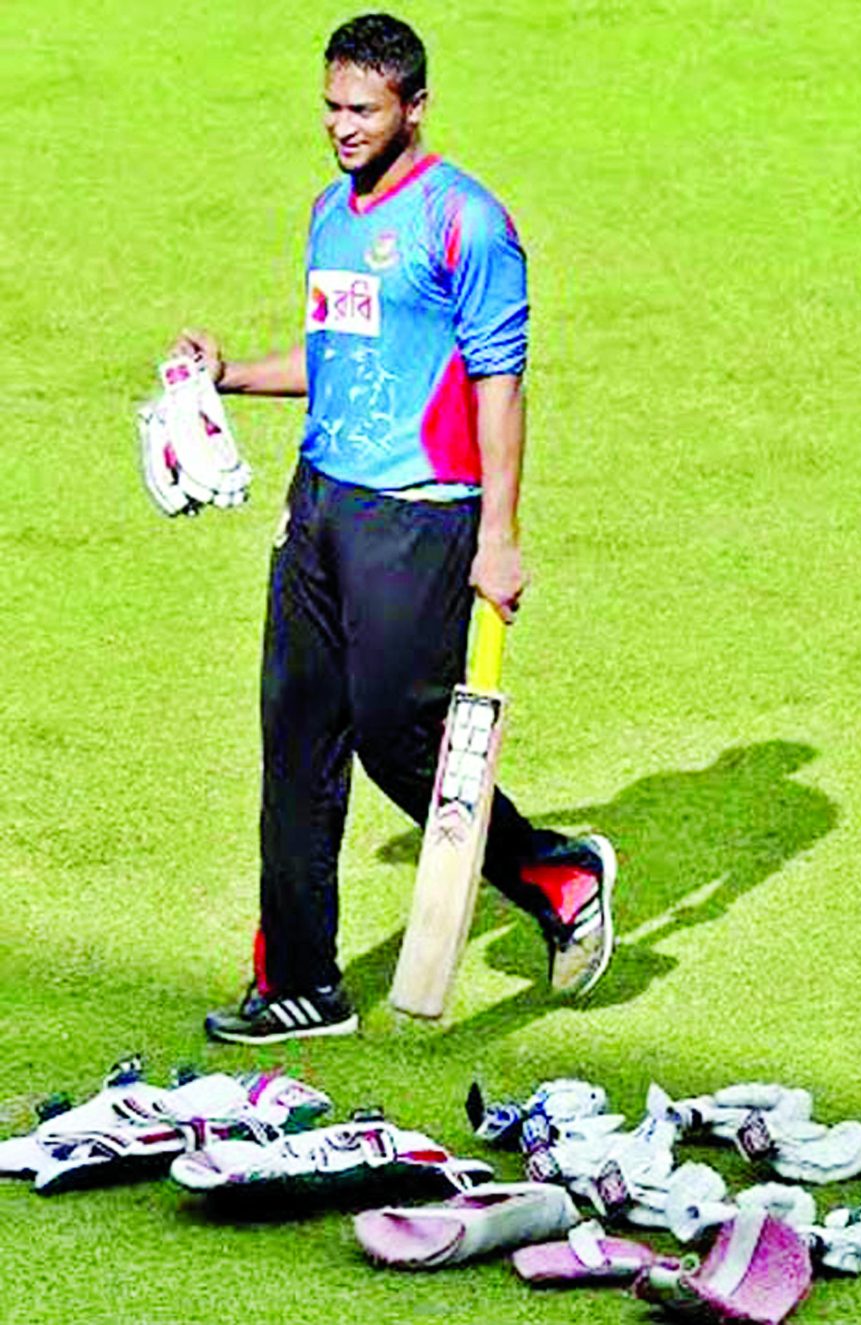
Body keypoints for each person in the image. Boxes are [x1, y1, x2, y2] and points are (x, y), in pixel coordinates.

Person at [178, 13, 616, 1044]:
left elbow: (498, 385)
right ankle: (298, 982)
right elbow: (337, 353)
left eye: (362, 109)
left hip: (420, 516)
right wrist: (232, 373)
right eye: (331, 105)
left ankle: (553, 870)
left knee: (394, 737)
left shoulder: (466, 222)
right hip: (319, 502)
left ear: (412, 105)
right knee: (293, 738)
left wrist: (496, 536)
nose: (340, 126)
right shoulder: (330, 212)